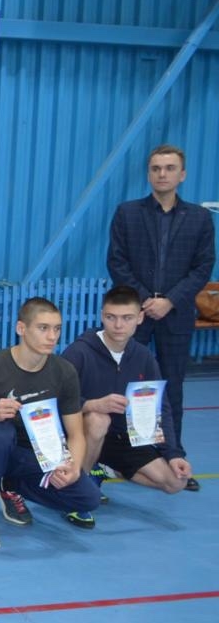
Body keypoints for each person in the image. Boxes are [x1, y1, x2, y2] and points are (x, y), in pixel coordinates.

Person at [108, 144, 215, 491]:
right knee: (122, 385)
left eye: (169, 168)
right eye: (156, 168)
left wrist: (170, 300)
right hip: (132, 316)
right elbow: (117, 261)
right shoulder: (127, 213)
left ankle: (173, 458)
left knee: (172, 388)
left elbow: (203, 267)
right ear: (149, 174)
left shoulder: (199, 219)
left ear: (182, 174)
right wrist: (144, 299)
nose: (162, 174)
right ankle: (116, 458)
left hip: (176, 314)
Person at [0, 297, 103, 549]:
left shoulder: (64, 372)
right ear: (21, 328)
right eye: (43, 328)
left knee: (88, 498)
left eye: (57, 329)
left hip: (35, 455)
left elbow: (76, 434)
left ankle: (10, 485)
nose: (52, 336)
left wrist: (73, 467)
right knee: (1, 432)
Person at [61, 285, 192, 495]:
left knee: (176, 482)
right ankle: (78, 489)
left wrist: (173, 454)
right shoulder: (78, 352)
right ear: (102, 316)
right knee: (98, 419)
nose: (118, 325)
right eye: (111, 317)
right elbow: (55, 399)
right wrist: (93, 405)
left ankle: (105, 468)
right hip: (82, 434)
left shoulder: (144, 357)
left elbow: (161, 408)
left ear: (140, 318)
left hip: (123, 437)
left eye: (127, 318)